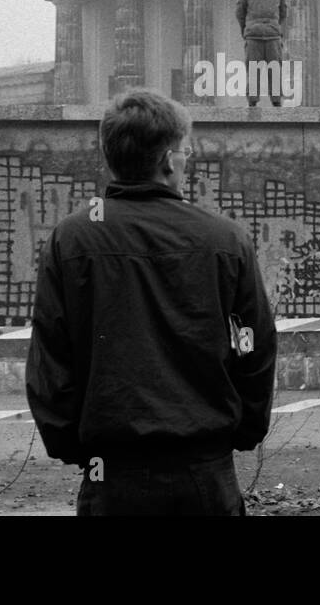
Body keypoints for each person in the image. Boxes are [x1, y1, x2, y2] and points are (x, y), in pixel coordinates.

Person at [26, 89, 278, 515]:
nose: (187, 160)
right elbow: (253, 342)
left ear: (110, 155)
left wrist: (72, 444)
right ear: (166, 159)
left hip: (108, 472)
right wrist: (244, 428)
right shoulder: (225, 239)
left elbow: (52, 352)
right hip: (205, 470)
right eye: (185, 151)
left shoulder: (73, 238)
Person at [234, 0, 287, 107]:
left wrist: (274, 27)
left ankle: (276, 101)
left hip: (272, 36)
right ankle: (253, 101)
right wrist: (247, 29)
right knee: (253, 70)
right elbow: (240, 12)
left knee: (275, 69)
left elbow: (283, 13)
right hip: (254, 36)